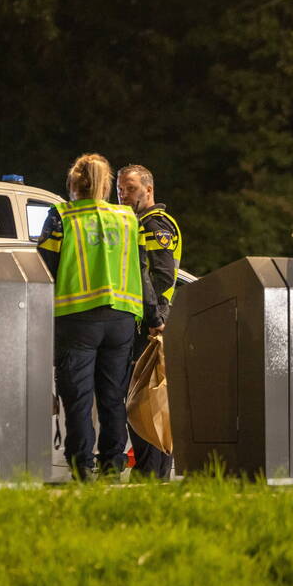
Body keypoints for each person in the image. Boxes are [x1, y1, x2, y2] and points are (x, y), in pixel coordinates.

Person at [38, 153, 160, 481]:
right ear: (106, 185)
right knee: (112, 397)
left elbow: (44, 267)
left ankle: (82, 467)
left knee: (78, 398)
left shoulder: (61, 216)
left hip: (76, 319)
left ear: (74, 185)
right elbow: (142, 271)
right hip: (121, 320)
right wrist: (154, 317)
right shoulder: (126, 219)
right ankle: (112, 463)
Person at [117, 163, 182, 480]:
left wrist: (152, 316)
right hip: (145, 324)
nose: (122, 194)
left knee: (144, 400)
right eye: (120, 188)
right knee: (146, 399)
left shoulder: (154, 224)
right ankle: (153, 474)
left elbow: (163, 276)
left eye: (129, 187)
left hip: (149, 327)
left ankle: (151, 474)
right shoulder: (135, 223)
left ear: (148, 189)